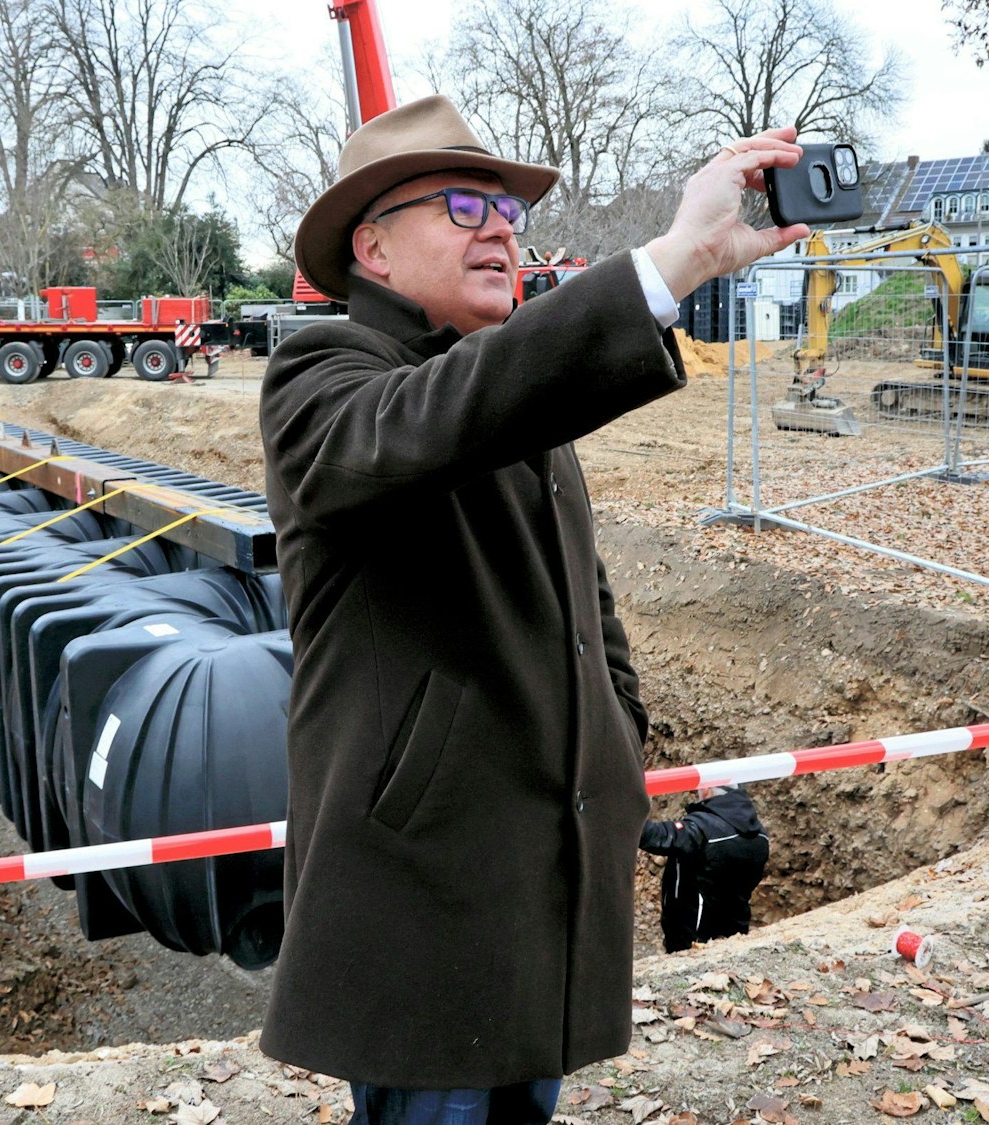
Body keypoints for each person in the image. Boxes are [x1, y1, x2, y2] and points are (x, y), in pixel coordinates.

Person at [256, 94, 809, 1123]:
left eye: (507, 210)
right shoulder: (324, 375)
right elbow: (440, 414)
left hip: (539, 881)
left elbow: (587, 605)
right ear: (372, 248)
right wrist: (673, 261)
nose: (501, 229)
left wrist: (617, 733)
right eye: (463, 206)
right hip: (429, 894)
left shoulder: (518, 394)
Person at [639, 785, 772, 954]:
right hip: (737, 932)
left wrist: (621, 816)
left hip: (692, 937)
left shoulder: (702, 828)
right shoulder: (760, 834)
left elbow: (658, 836)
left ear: (707, 790)